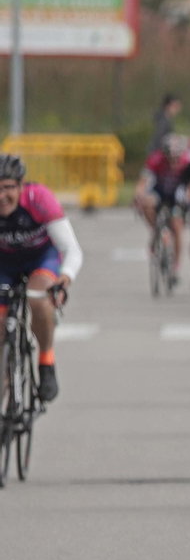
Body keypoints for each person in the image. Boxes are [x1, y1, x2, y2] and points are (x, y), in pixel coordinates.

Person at [0, 155, 81, 402]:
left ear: (22, 186)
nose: (1, 196)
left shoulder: (39, 199)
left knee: (39, 298)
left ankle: (46, 361)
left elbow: (71, 249)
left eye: (8, 188)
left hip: (40, 259)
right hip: (4, 264)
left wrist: (64, 280)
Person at [136, 133, 190, 287]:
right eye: (169, 158)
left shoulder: (188, 160)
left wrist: (189, 200)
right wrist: (139, 196)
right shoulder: (156, 159)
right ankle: (157, 231)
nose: (173, 162)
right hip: (159, 191)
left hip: (177, 194)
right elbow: (143, 183)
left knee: (177, 225)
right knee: (147, 205)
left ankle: (175, 266)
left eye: (176, 159)